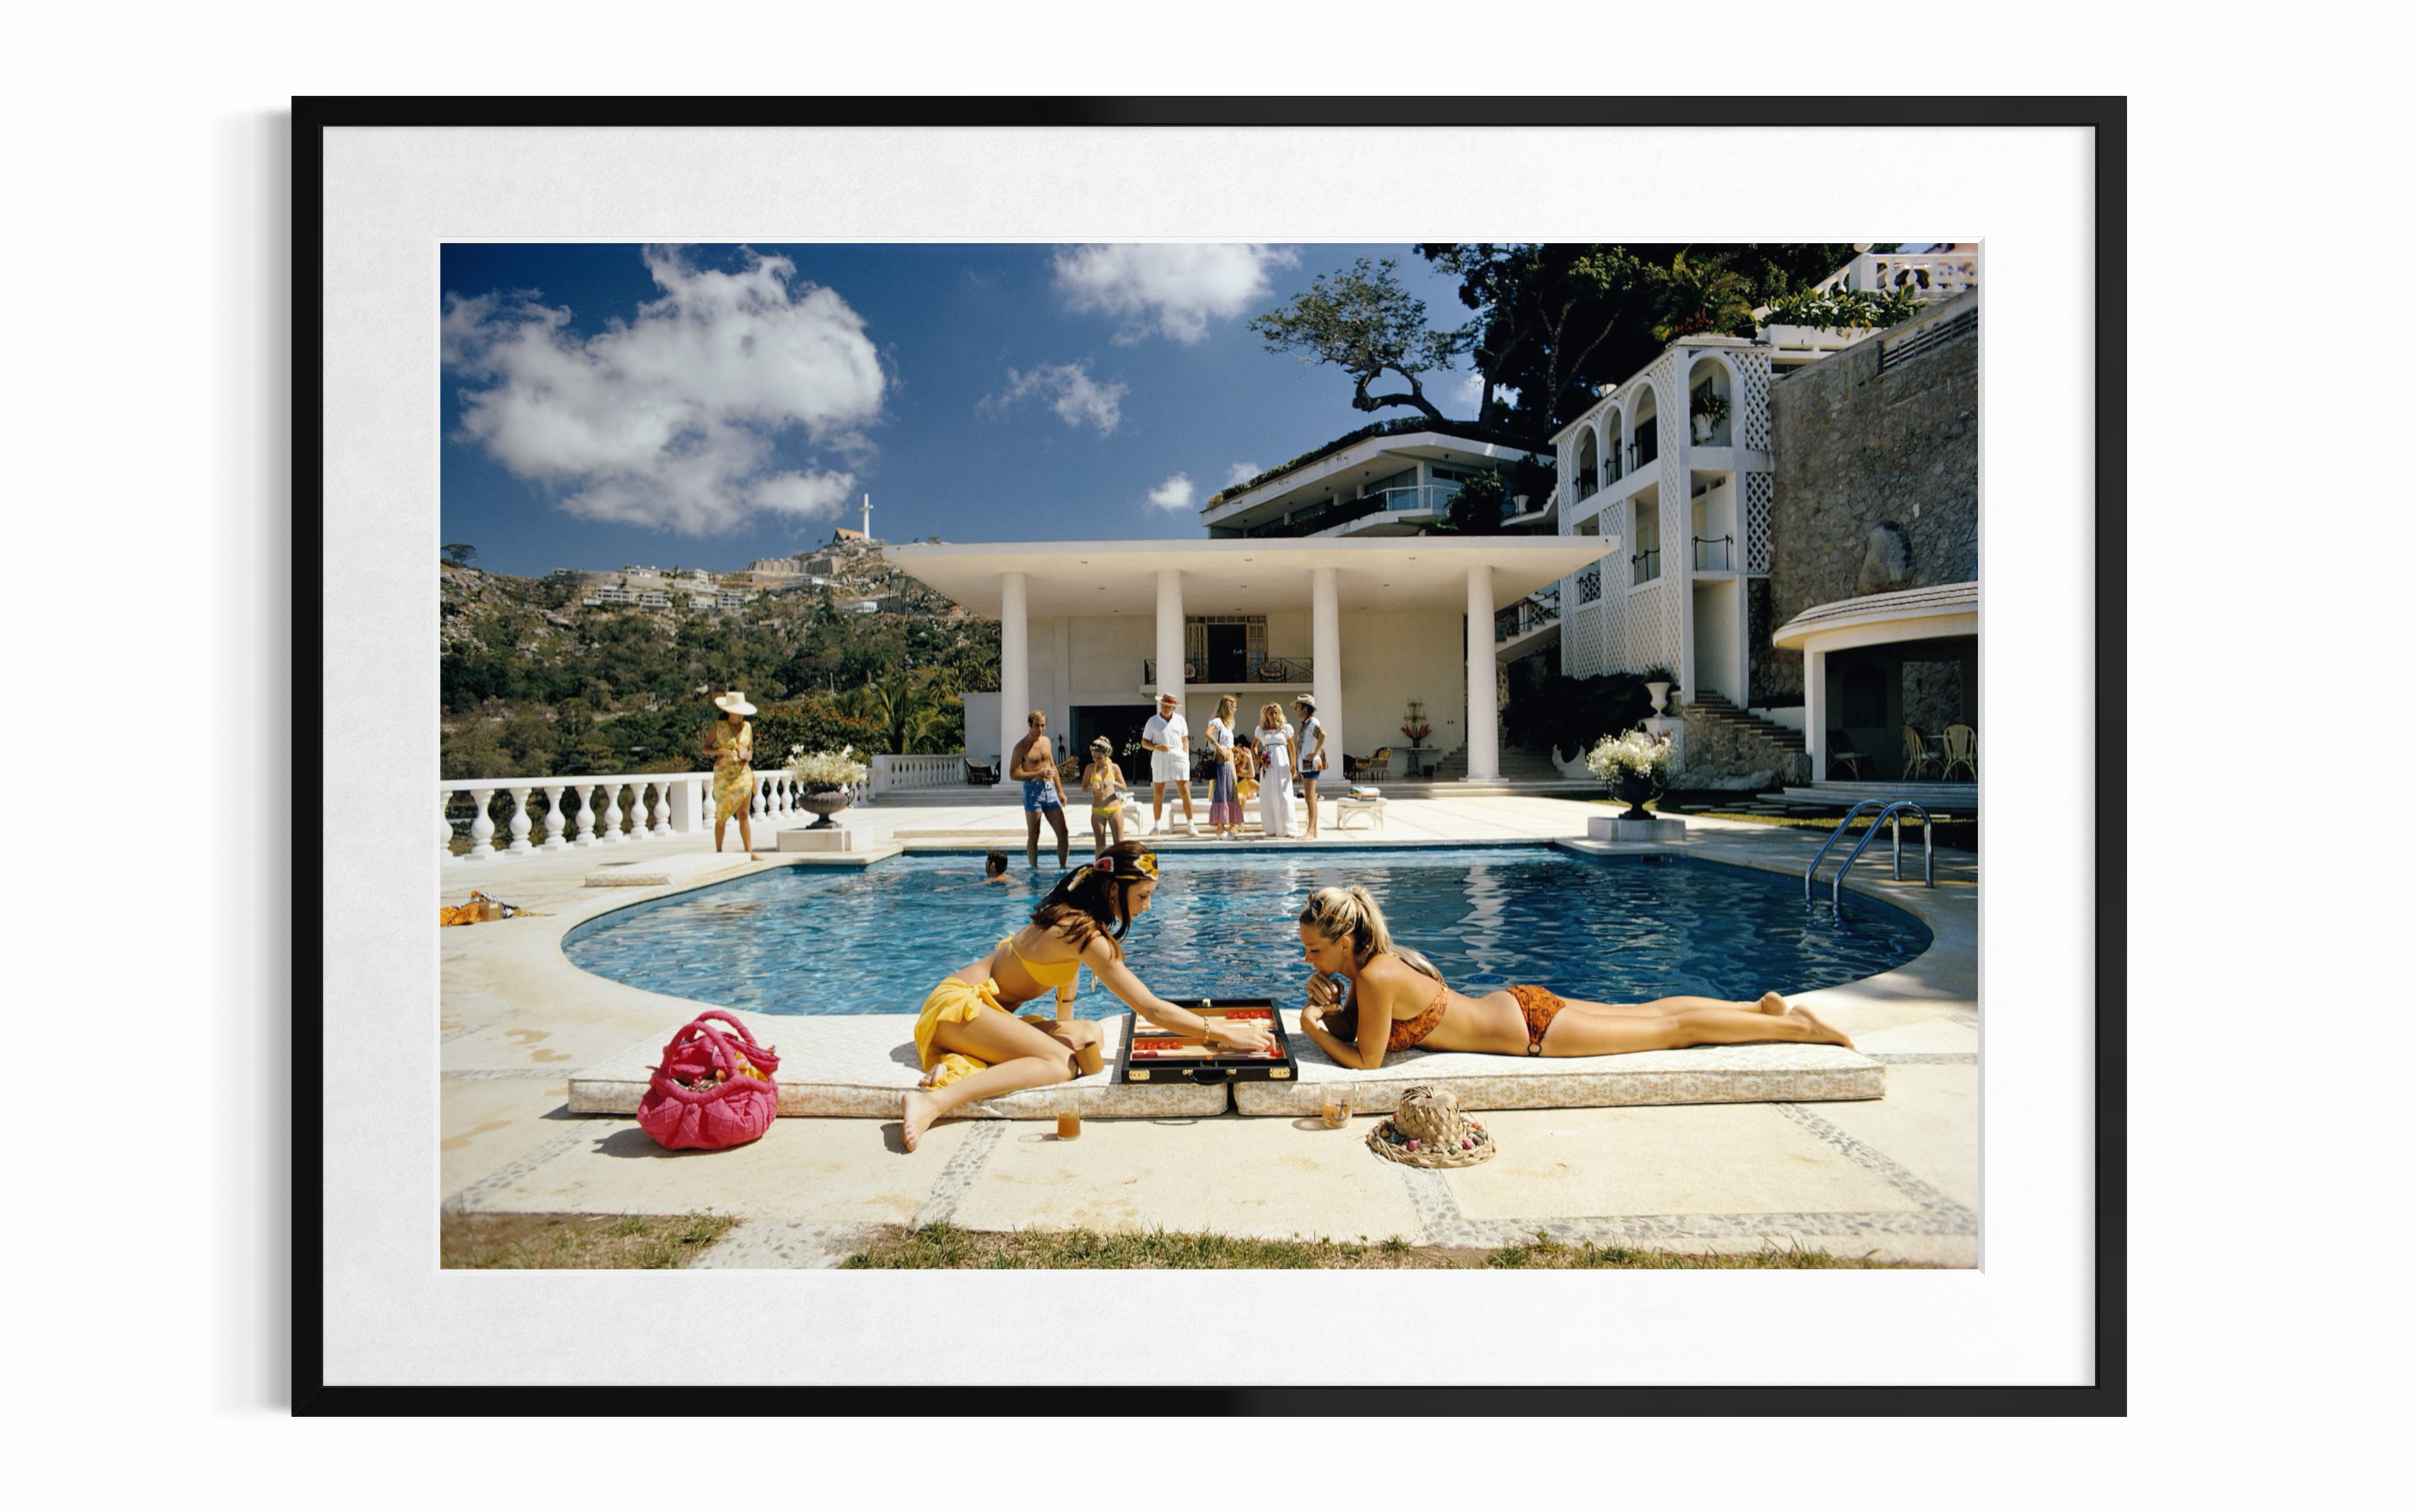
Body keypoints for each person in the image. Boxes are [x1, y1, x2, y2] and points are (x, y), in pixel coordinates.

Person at [903, 842, 1277, 1151]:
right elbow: (1149, 1007)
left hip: (980, 1011)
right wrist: (1222, 1032)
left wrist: (1060, 1026)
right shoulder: (1086, 934)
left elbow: (1065, 986)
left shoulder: (1074, 917)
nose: (1148, 906)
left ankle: (968, 1056)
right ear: (1115, 889)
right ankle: (934, 1102)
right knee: (1062, 1063)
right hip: (957, 1008)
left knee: (1089, 1035)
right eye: (1144, 896)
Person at [1292, 885, 1855, 1067]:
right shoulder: (1380, 965)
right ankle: (1755, 1009)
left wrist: (1312, 1025)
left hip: (1537, 1033)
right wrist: (1330, 1005)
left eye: (1314, 952)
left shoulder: (1375, 978)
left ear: (1345, 943)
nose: (1309, 961)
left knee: (1671, 1032)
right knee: (1650, 1012)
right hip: (1520, 1005)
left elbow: (1365, 1062)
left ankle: (1803, 1029)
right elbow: (1364, 1031)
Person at [1008, 709, 1071, 871]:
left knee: (1063, 833)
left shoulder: (1046, 742)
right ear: (1030, 725)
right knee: (1034, 834)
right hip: (1032, 791)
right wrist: (1038, 773)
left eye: (1043, 726)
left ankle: (1063, 868)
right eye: (1037, 725)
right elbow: (1013, 774)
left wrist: (1060, 791)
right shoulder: (1021, 747)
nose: (1040, 729)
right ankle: (1034, 868)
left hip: (1050, 791)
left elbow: (1052, 766)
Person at [701, 689, 759, 859]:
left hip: (743, 774)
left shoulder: (747, 727)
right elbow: (706, 748)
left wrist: (748, 756)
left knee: (743, 814)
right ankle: (719, 851)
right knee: (722, 816)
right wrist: (721, 751)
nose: (741, 715)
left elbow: (750, 750)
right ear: (729, 711)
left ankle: (749, 852)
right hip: (724, 776)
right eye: (738, 711)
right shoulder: (719, 727)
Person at [1140, 691, 1196, 837]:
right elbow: (1144, 742)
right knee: (1159, 793)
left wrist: (1185, 756)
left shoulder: (1180, 720)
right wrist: (1157, 747)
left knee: (1185, 792)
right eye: (1163, 705)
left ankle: (1191, 824)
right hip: (1160, 756)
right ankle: (1157, 825)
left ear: (1174, 708)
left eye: (1168, 706)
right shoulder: (1152, 721)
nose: (1165, 708)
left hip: (1178, 756)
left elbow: (1185, 740)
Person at [1203, 694, 1243, 839]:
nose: (1235, 709)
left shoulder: (1228, 725)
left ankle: (1225, 827)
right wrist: (1220, 749)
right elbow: (1208, 734)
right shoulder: (1218, 722)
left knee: (1230, 793)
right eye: (1233, 706)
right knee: (1222, 793)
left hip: (1229, 763)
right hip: (1222, 761)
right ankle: (1220, 828)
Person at [1253, 701, 1296, 839]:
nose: (1275, 715)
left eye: (1277, 712)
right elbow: (1254, 745)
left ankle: (1287, 828)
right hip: (1268, 764)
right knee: (1268, 795)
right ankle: (1270, 828)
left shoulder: (1285, 728)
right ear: (1266, 714)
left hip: (1282, 762)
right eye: (1271, 713)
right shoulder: (1261, 730)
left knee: (1283, 795)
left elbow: (1291, 747)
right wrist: (1257, 760)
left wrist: (1293, 764)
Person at [1081, 736, 1131, 855]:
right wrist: (1090, 787)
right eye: (1094, 757)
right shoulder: (1090, 768)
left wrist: (1114, 783)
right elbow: (1084, 788)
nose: (1096, 760)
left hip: (1114, 808)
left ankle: (1120, 868)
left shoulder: (1114, 768)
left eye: (1099, 758)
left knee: (1119, 842)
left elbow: (1124, 787)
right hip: (1098, 810)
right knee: (1100, 845)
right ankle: (1099, 869)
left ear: (1107, 755)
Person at [1292, 694, 1328, 840]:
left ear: (1305, 708)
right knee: (1309, 798)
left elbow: (1323, 735)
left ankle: (1311, 831)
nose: (1295, 710)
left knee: (1310, 798)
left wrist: (1315, 752)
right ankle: (1313, 830)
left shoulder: (1313, 722)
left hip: (1311, 765)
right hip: (1305, 766)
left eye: (1297, 707)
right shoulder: (1306, 724)